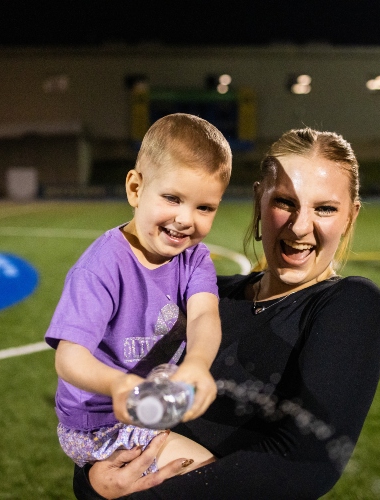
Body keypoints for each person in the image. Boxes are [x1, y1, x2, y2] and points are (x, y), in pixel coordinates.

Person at [72, 128, 380, 499]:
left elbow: (307, 463)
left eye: (325, 208)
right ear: (259, 200)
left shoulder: (350, 304)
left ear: (351, 215)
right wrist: (94, 482)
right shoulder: (204, 296)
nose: (301, 226)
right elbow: (104, 422)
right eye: (285, 202)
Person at [44, 113, 232, 476]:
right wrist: (119, 384)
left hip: (155, 404)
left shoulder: (194, 257)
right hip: (98, 424)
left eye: (204, 207)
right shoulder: (102, 265)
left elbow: (204, 315)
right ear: (135, 189)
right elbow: (68, 359)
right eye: (173, 198)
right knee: (206, 477)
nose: (186, 219)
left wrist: (197, 363)